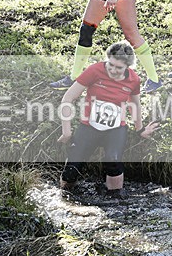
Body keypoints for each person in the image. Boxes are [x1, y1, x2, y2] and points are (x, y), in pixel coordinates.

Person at [58, 42, 158, 194]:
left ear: (128, 67)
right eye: (110, 65)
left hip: (115, 129)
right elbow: (68, 98)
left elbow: (134, 105)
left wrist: (140, 129)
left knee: (113, 161)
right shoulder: (95, 70)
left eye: (119, 68)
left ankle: (115, 199)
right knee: (71, 170)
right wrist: (66, 131)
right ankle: (66, 196)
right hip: (89, 126)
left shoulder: (134, 80)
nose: (113, 70)